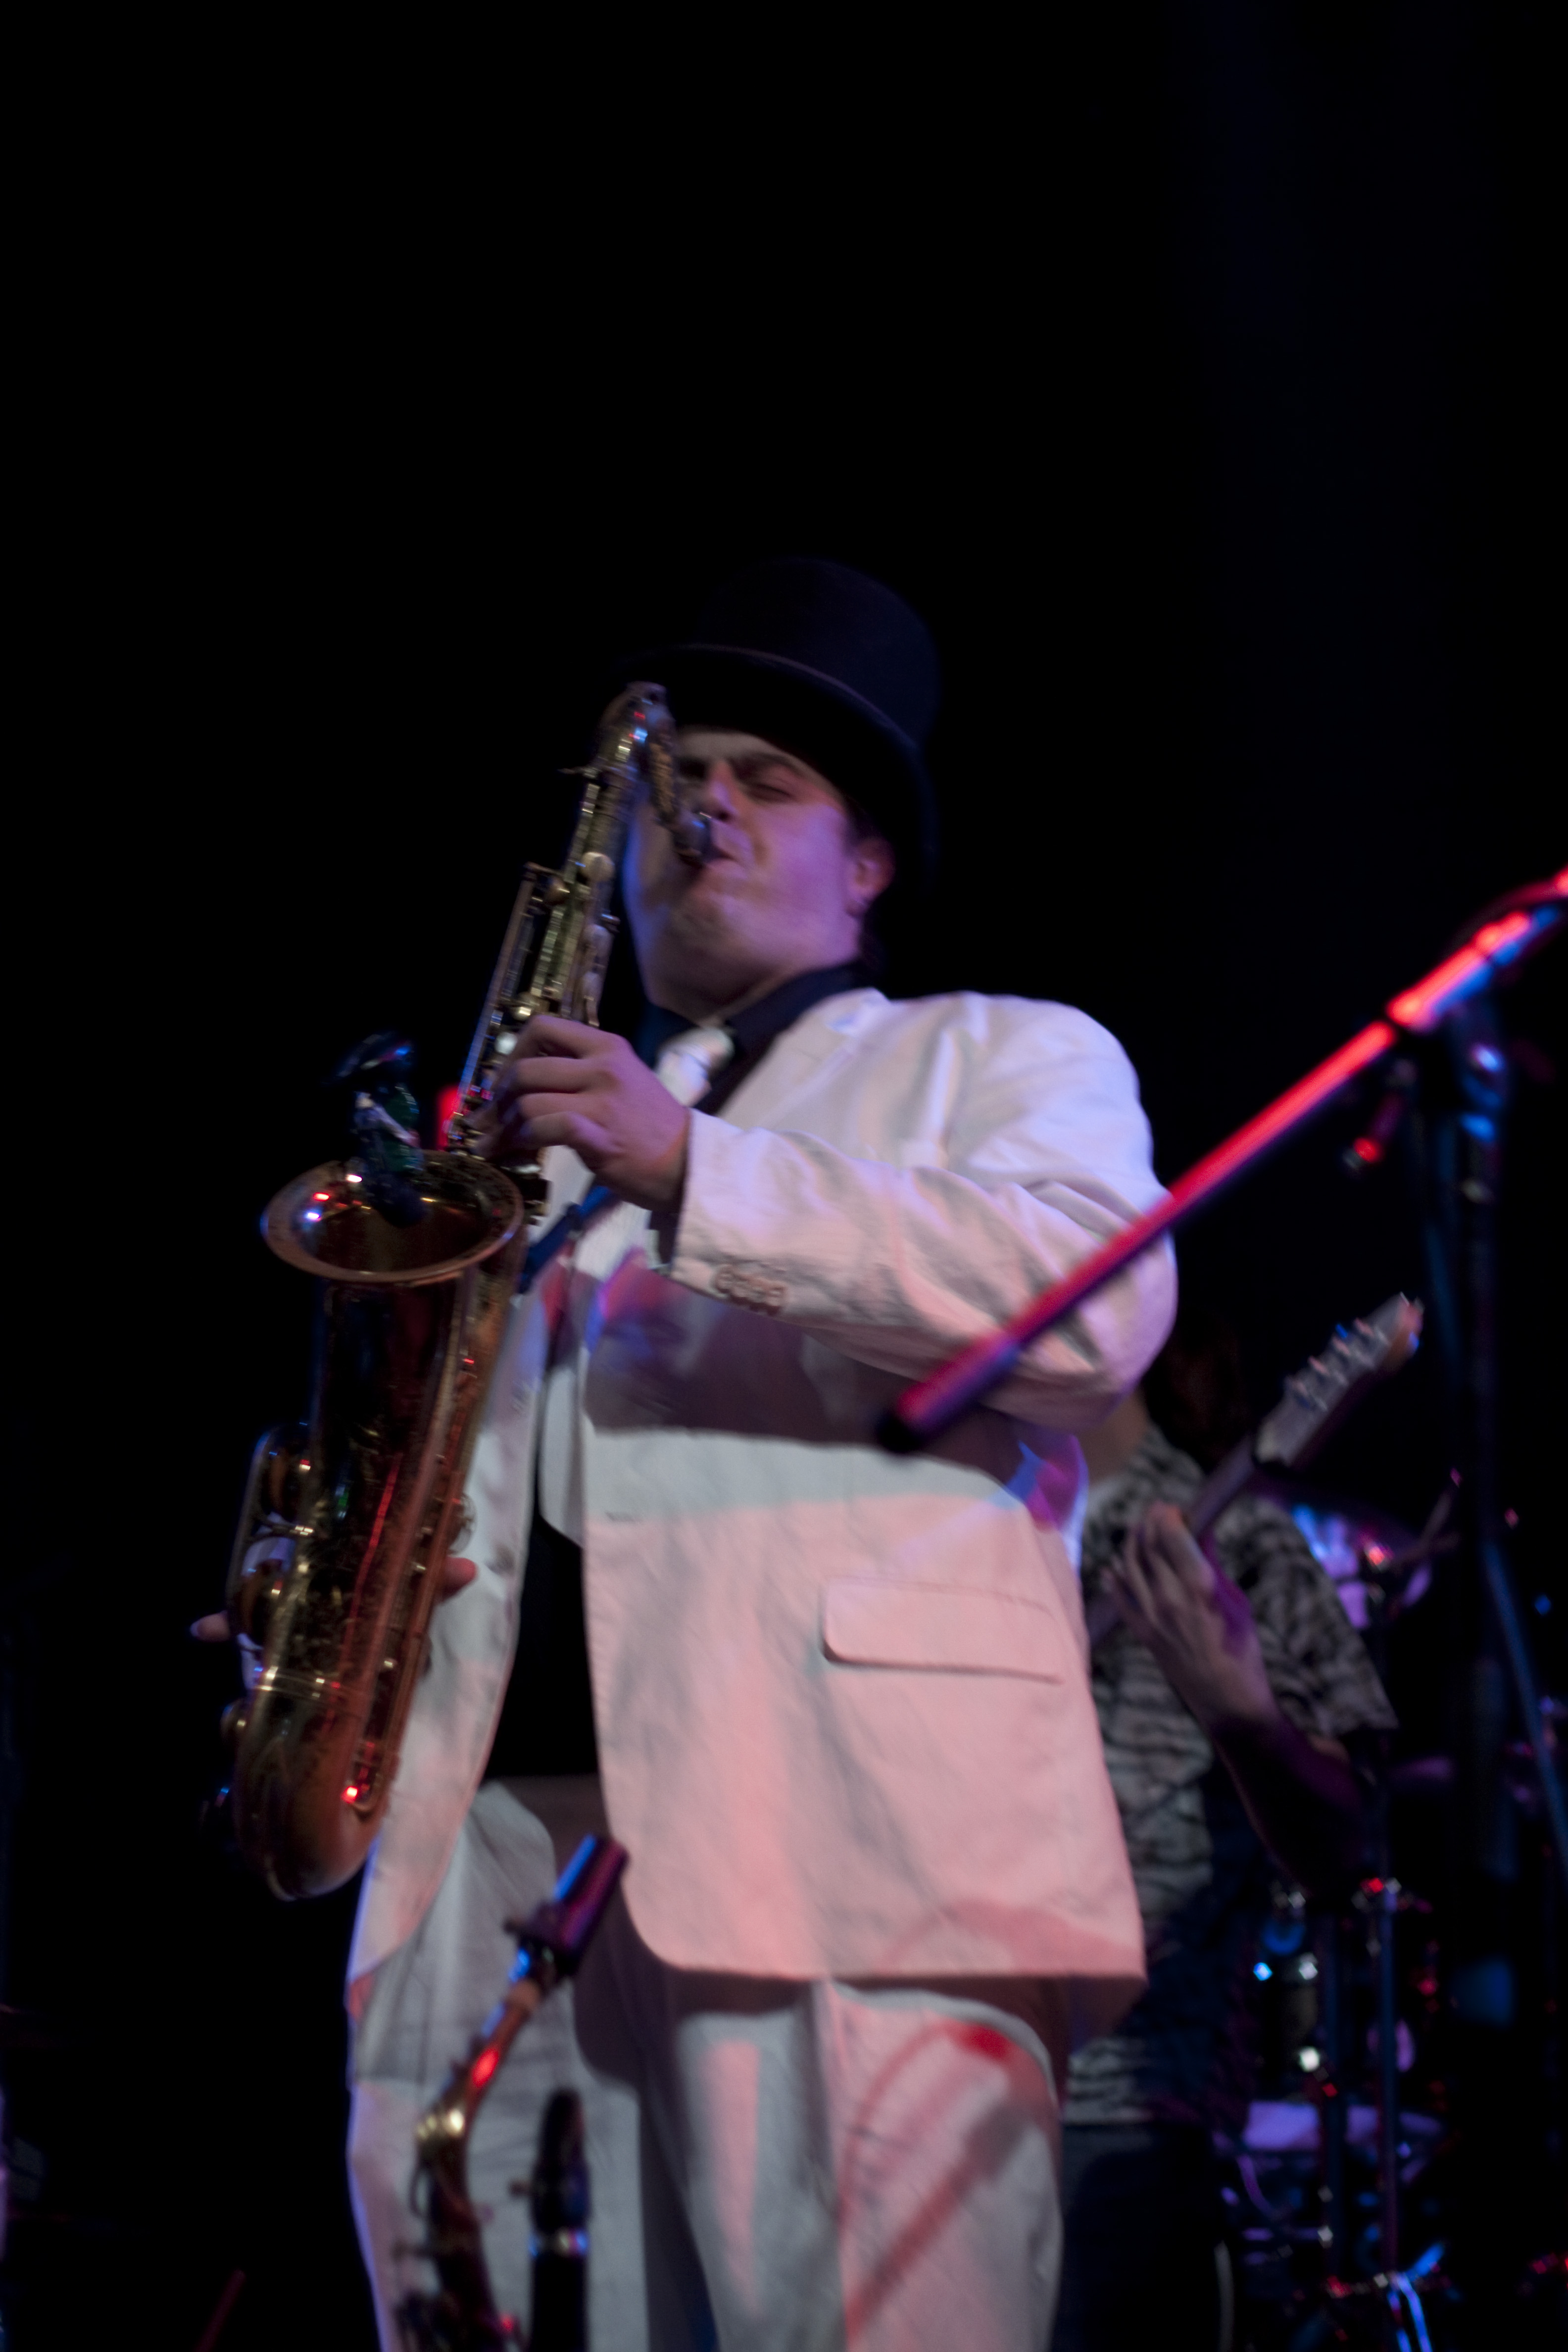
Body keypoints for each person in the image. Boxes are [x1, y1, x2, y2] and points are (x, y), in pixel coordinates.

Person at [318, 558, 1176, 2351]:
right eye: (673, 778)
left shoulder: (993, 1056)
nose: (700, 803)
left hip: (852, 1858)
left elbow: (1092, 1313)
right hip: (483, 1872)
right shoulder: (525, 1155)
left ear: (867, 866)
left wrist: (697, 1173)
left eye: (765, 780)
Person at [1051, 1322, 1397, 2352]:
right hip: (916, 2071)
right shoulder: (968, 1531)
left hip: (1120, 2117)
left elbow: (1345, 1843)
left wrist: (1243, 1716)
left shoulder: (1239, 1541)